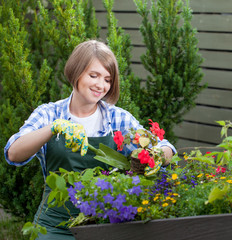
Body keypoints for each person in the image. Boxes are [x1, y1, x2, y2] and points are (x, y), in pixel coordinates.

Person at [4, 40, 176, 239]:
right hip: (54, 226)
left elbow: (166, 147)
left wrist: (156, 155)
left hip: (105, 225)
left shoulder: (117, 118)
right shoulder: (49, 114)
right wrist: (53, 127)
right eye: (93, 76)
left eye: (107, 79)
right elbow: (14, 153)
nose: (100, 85)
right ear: (76, 72)